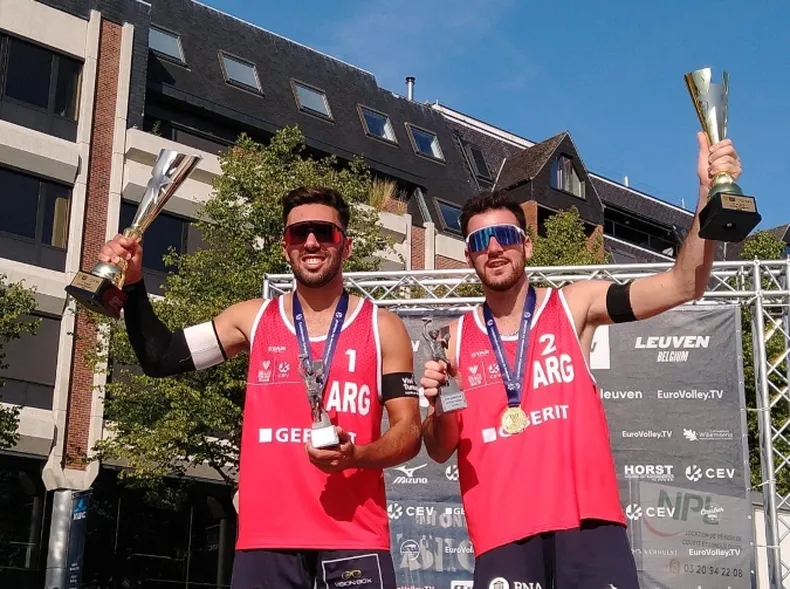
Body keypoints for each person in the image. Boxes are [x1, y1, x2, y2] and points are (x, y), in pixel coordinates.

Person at [419, 132, 742, 589]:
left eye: (505, 236)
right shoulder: (450, 339)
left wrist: (708, 193)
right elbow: (438, 449)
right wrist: (435, 407)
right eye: (480, 241)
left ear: (526, 246)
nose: (494, 248)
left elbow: (682, 284)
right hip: (502, 533)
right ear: (469, 255)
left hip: (586, 524)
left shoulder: (575, 306)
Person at [99, 187, 422, 589]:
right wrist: (132, 285)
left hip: (354, 538)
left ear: (346, 245)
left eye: (324, 231)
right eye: (297, 233)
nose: (310, 242)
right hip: (266, 542)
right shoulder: (250, 319)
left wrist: (357, 454)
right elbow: (161, 357)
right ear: (284, 248)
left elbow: (408, 432)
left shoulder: (382, 326)